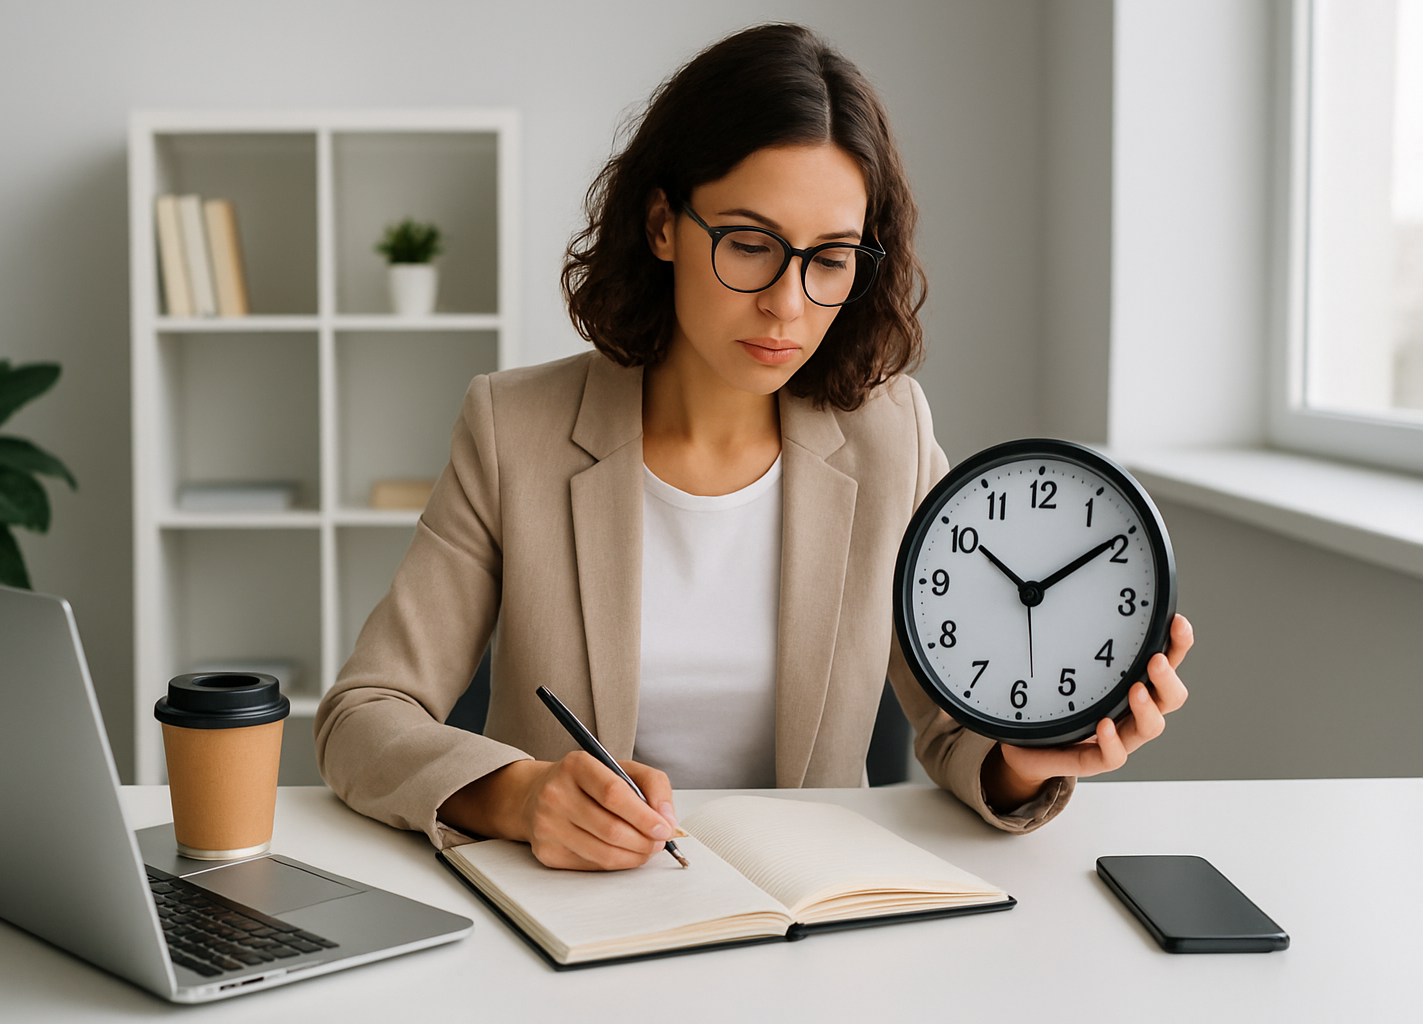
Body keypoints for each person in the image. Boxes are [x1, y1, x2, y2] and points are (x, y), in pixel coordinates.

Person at [314, 23, 1192, 871]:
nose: (787, 303)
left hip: (810, 916)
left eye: (831, 258)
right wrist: (518, 795)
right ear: (663, 224)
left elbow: (955, 722)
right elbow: (363, 714)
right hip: (573, 914)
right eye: (748, 245)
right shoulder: (514, 429)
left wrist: (1028, 761)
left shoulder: (891, 433)